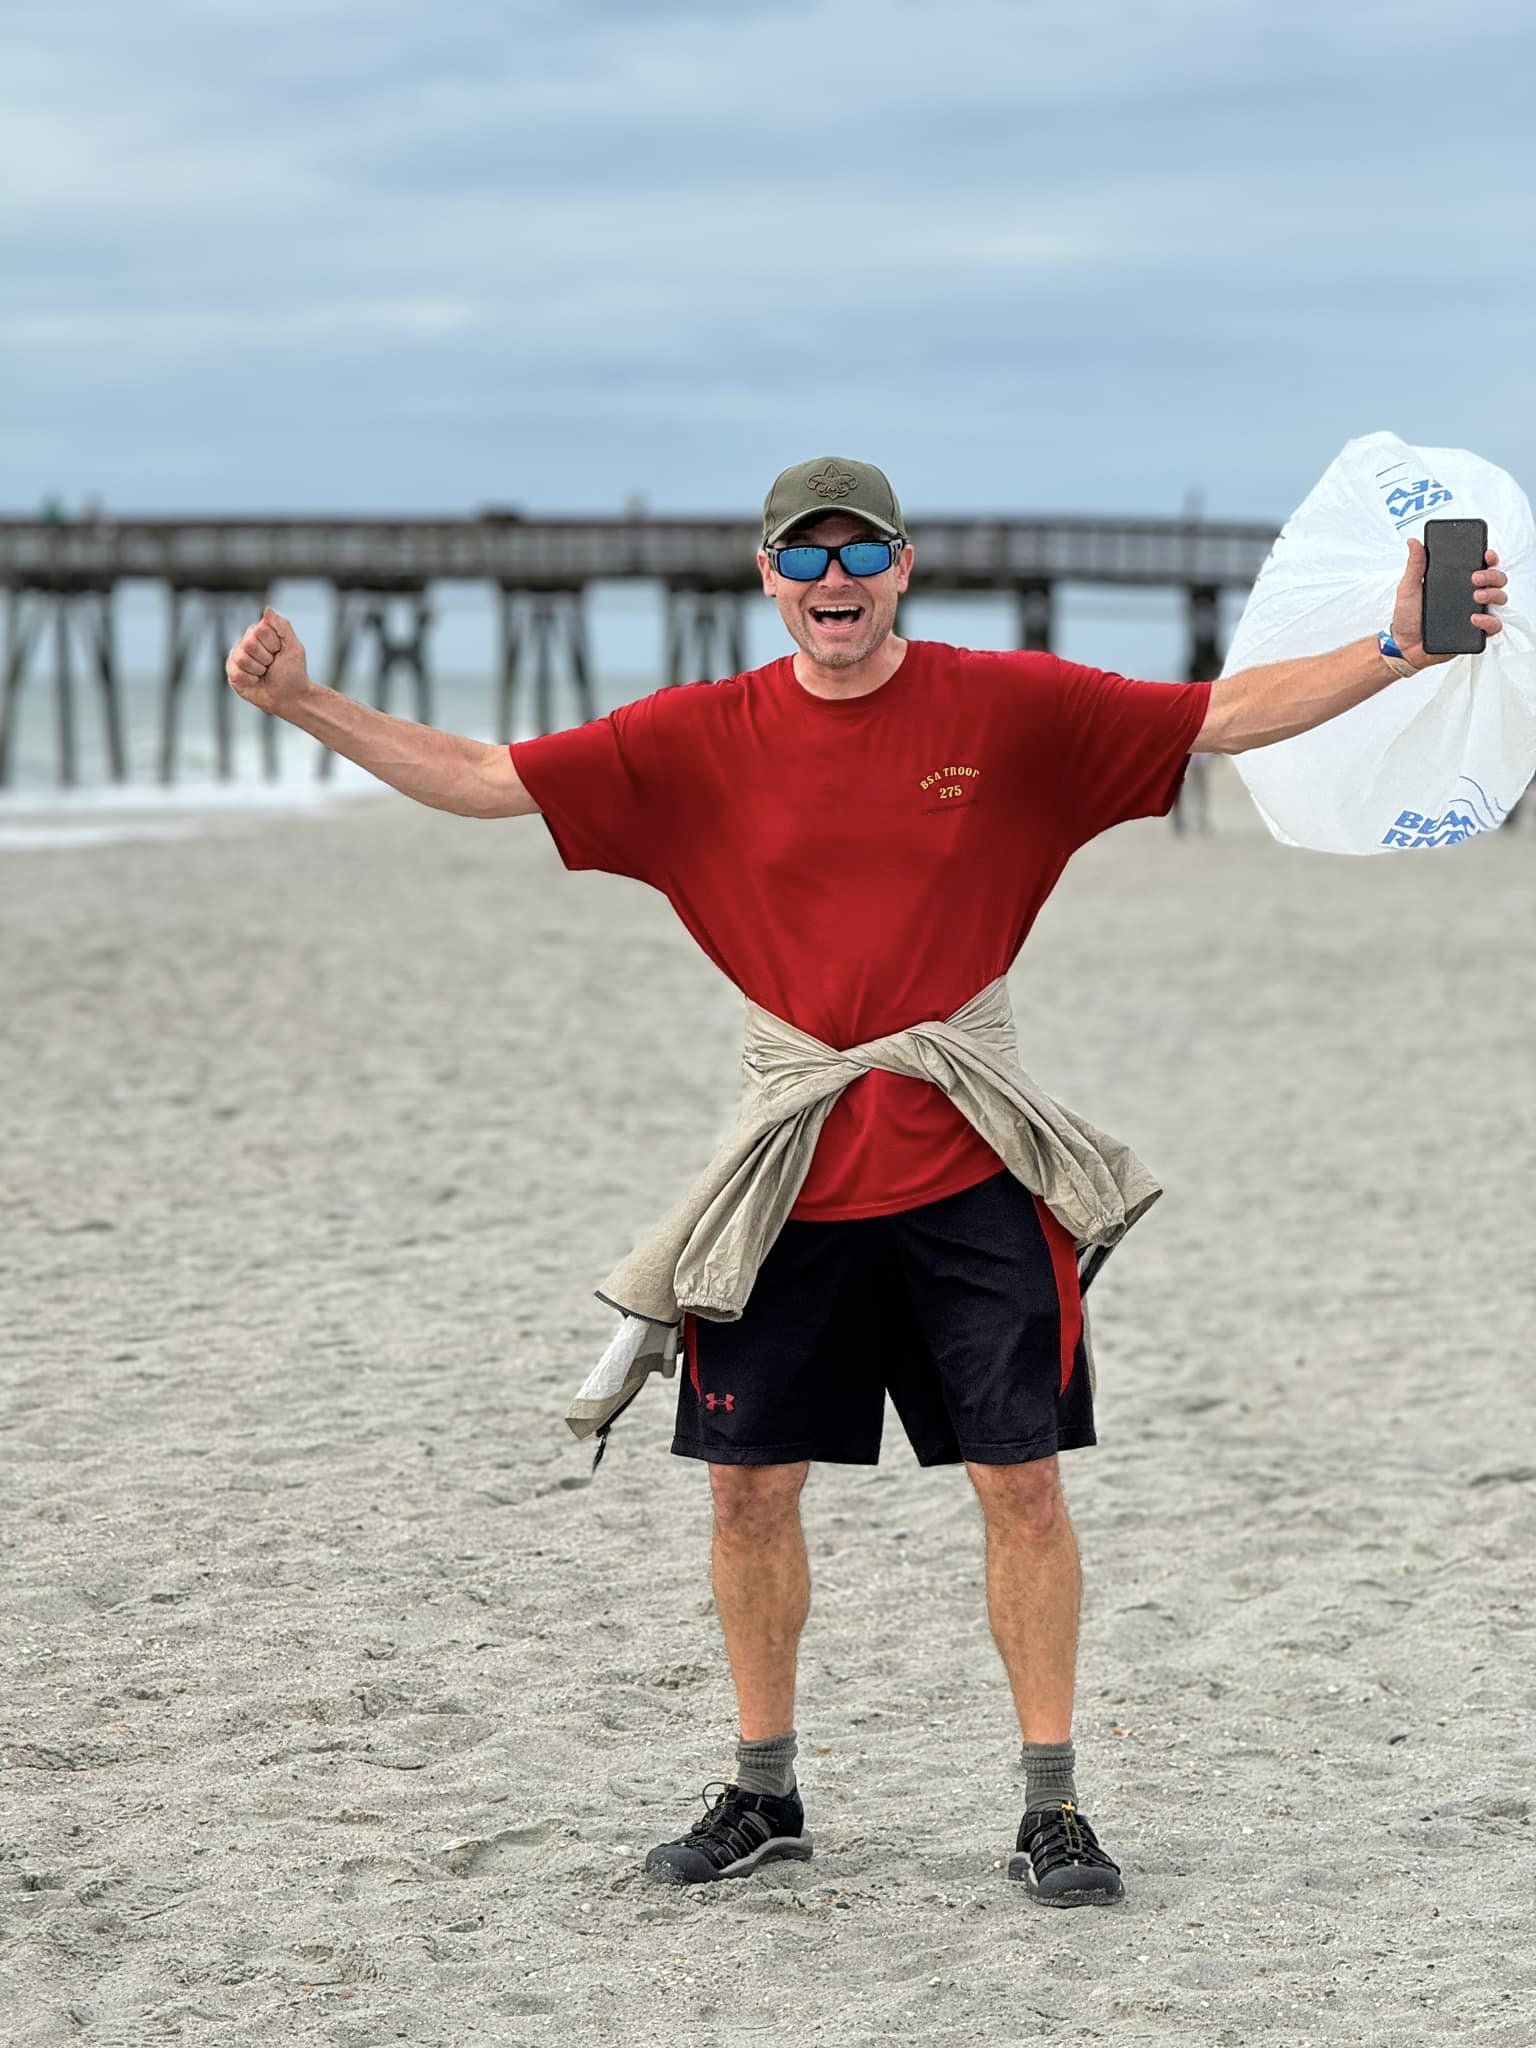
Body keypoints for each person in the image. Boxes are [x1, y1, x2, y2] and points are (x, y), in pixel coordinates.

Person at [226, 456, 1507, 1908]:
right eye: (805, 559)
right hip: (791, 1180)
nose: (835, 585)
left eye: (861, 556)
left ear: (903, 567)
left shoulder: (1008, 706)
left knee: (1021, 1488)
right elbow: (483, 779)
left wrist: (1403, 643)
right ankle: (764, 1792)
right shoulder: (699, 736)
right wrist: (302, 706)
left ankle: (1052, 1807)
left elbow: (1221, 719)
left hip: (976, 1169)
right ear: (768, 580)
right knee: (746, 1495)